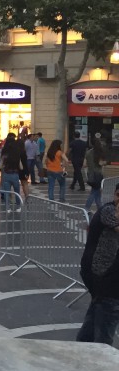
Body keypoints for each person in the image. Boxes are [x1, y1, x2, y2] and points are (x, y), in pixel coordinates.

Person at [77, 183, 119, 345]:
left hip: (105, 278)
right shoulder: (108, 211)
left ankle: (81, 351)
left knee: (95, 318)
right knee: (104, 336)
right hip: (105, 278)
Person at [85, 135, 107, 212]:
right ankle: (86, 208)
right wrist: (105, 162)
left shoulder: (88, 152)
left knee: (97, 192)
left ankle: (100, 208)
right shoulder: (98, 153)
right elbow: (101, 163)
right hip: (98, 174)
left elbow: (85, 164)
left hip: (90, 173)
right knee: (94, 192)